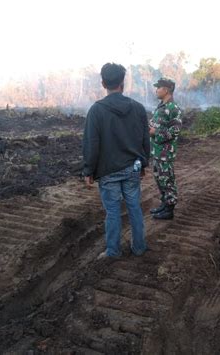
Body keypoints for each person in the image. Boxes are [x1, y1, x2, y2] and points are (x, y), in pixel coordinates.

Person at [82, 63, 150, 260]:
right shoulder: (138, 108)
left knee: (112, 212)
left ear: (103, 83)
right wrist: (144, 164)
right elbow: (144, 138)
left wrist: (88, 170)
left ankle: (113, 251)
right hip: (132, 169)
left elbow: (91, 144)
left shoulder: (96, 111)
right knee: (134, 207)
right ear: (123, 82)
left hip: (108, 171)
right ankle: (139, 247)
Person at [149, 77, 182, 220]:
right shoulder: (160, 106)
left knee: (167, 180)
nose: (156, 90)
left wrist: (155, 133)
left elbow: (175, 132)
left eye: (159, 87)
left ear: (166, 90)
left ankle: (169, 209)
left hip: (165, 152)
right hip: (156, 151)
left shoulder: (173, 109)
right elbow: (155, 124)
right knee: (159, 179)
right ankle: (164, 203)